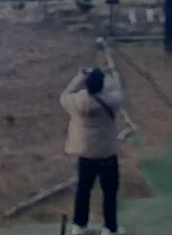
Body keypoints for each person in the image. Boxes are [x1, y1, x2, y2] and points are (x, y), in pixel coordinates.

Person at [61, 65, 126, 235]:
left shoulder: (76, 102)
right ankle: (110, 228)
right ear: (102, 84)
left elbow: (64, 95)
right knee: (110, 193)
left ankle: (79, 225)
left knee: (83, 190)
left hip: (85, 154)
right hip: (107, 154)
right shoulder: (112, 102)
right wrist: (112, 74)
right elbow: (118, 90)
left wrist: (80, 76)